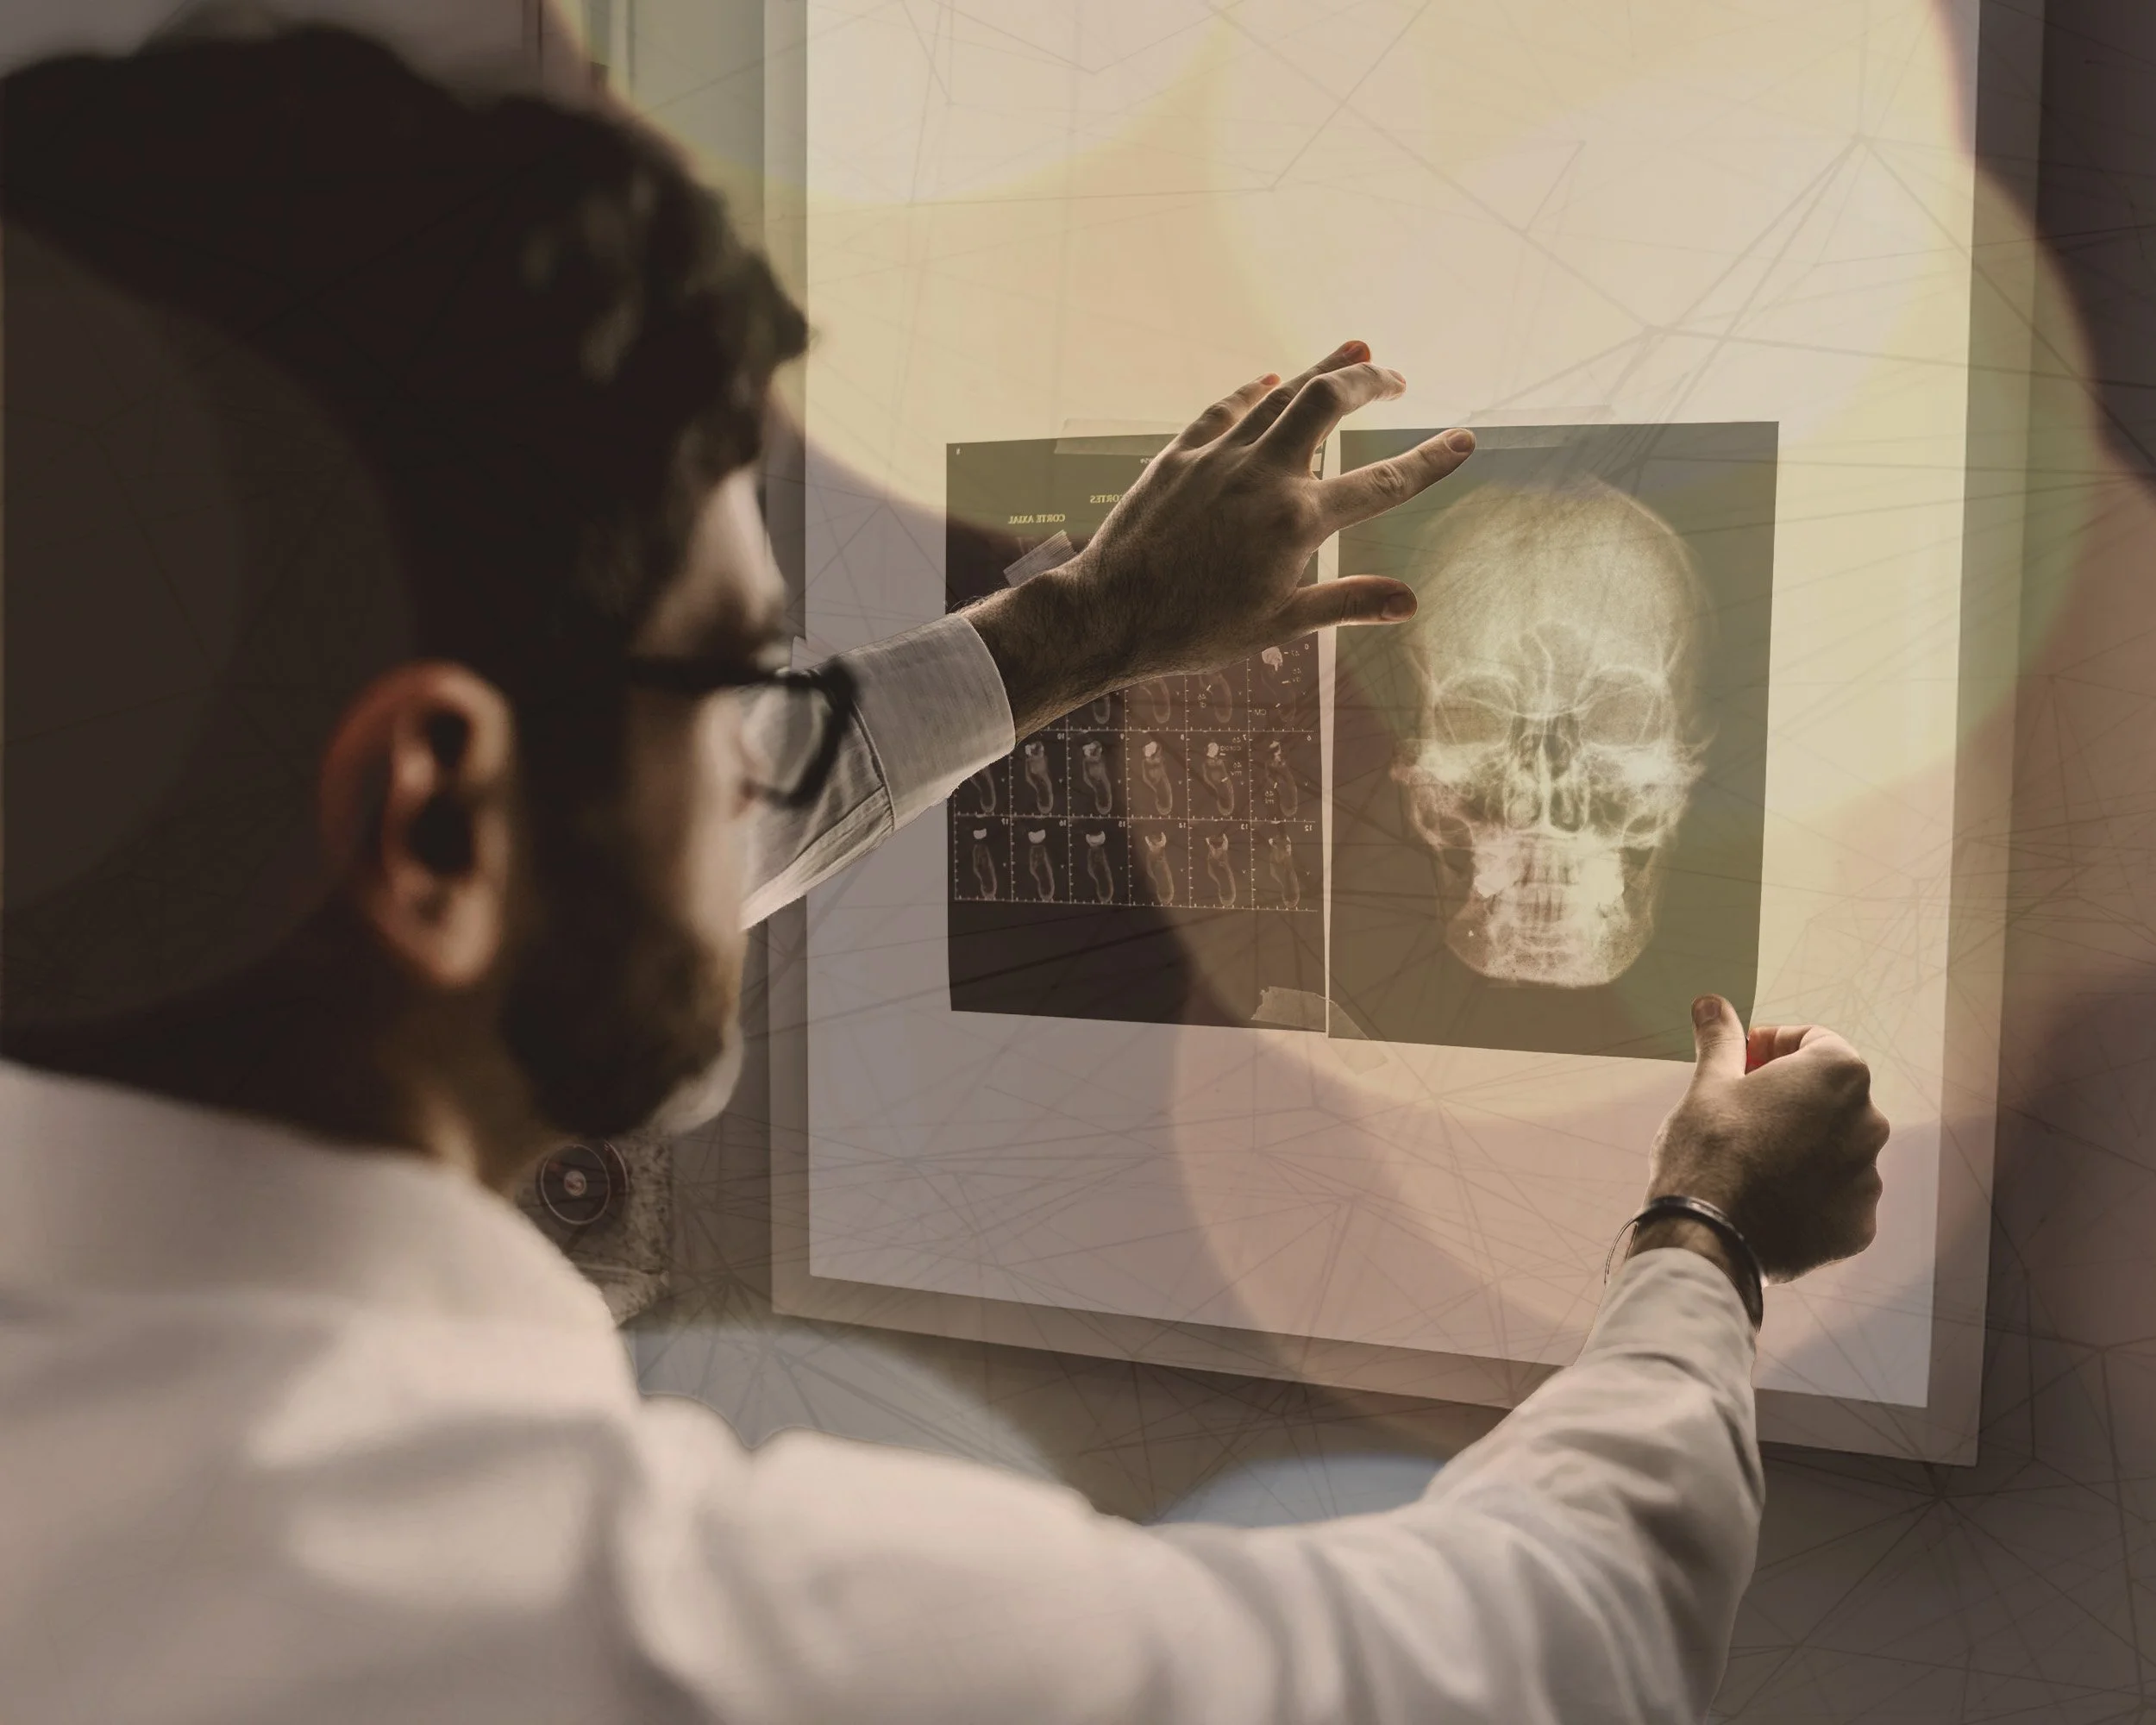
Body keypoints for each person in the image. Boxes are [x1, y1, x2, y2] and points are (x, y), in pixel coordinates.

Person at [0, 24, 1890, 1725]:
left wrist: (1068, 633)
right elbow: (1518, 1650)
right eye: (744, 676)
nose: (763, 750)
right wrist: (1702, 1242)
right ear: (434, 825)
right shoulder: (636, 1635)